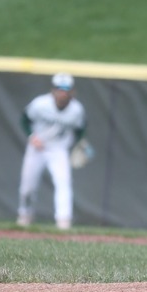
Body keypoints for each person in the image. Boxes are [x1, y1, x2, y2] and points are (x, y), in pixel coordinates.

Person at [18, 73, 86, 230]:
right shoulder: (40, 104)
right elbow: (25, 119)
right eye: (59, 89)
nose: (62, 93)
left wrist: (77, 145)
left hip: (58, 149)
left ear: (72, 91)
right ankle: (25, 215)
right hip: (37, 147)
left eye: (66, 89)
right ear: (53, 90)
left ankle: (64, 220)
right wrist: (31, 136)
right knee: (27, 186)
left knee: (64, 183)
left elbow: (81, 129)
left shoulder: (76, 109)